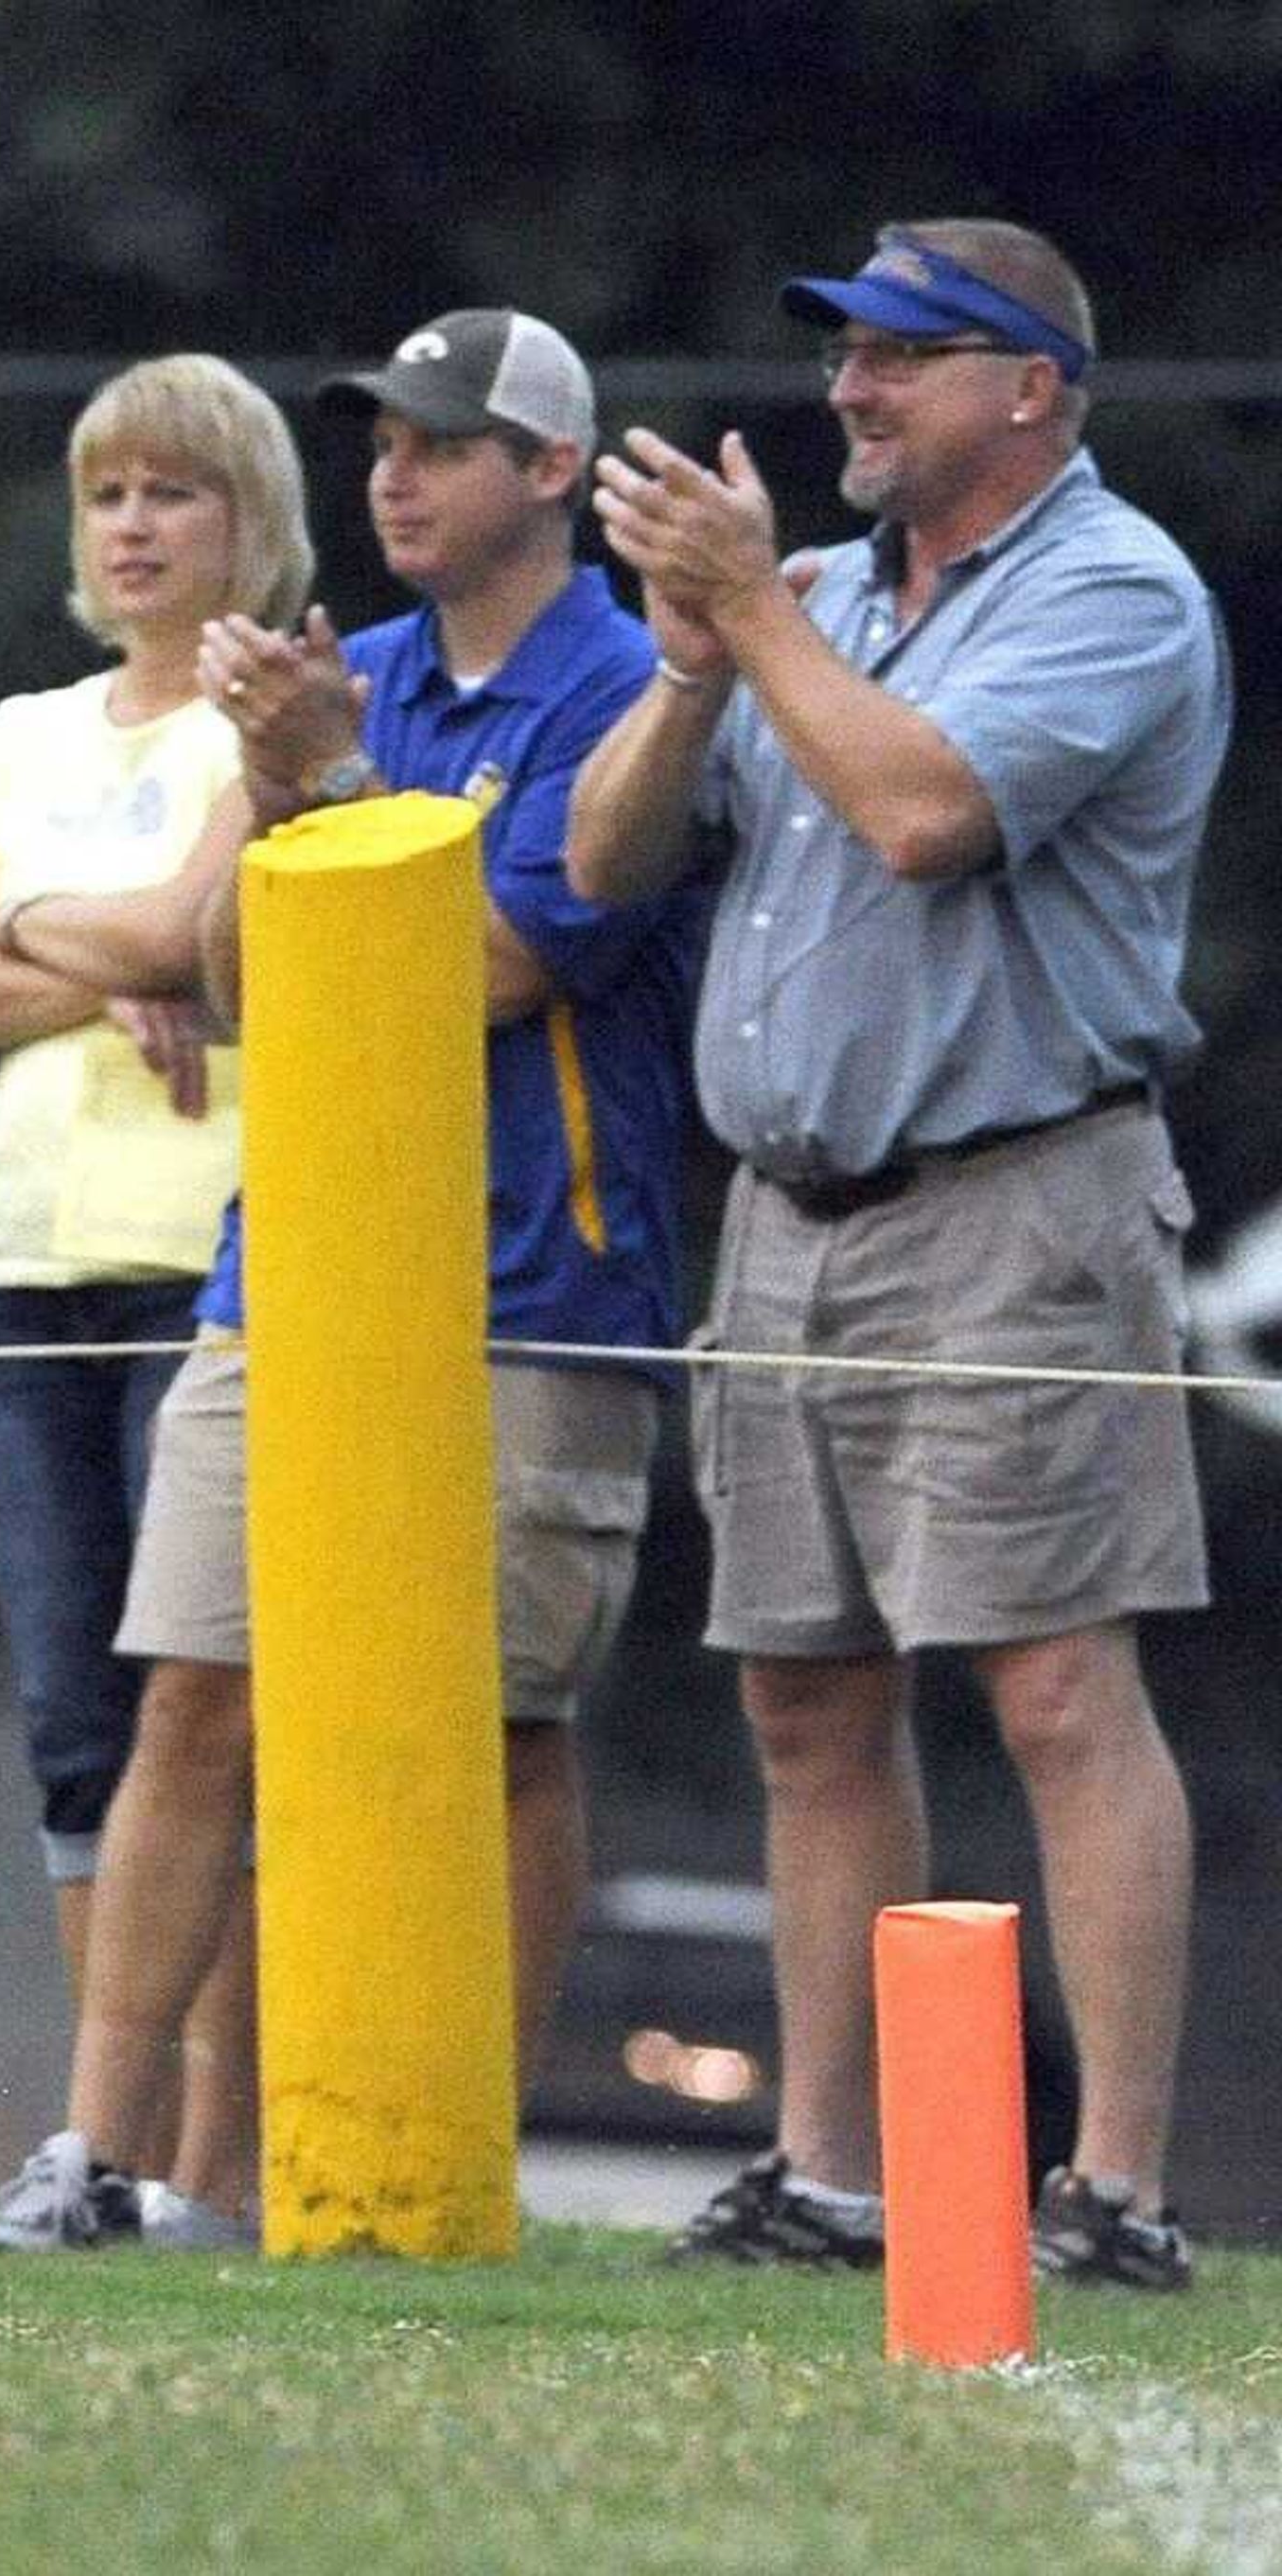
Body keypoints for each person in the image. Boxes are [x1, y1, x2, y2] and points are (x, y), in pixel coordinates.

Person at [0, 309, 701, 2239]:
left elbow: (503, 965)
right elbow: (229, 973)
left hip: (532, 1273)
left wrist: (336, 774)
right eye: (379, 441)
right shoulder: (344, 668)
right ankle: (96, 2158)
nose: (394, 473)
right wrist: (281, 786)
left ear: (552, 472)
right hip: (287, 1258)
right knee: (189, 1704)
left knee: (504, 1728)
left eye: (444, 444)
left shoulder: (621, 686)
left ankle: (447, 2149)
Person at [568, 220, 1227, 2289]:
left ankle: (1114, 2188)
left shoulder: (1117, 592)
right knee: (804, 1707)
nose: (849, 391)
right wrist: (692, 657)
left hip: (1016, 1207)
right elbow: (602, 864)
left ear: (1029, 386)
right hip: (785, 1222)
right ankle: (832, 2169)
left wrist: (753, 613)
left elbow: (926, 811)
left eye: (902, 359)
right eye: (844, 355)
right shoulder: (823, 603)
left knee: (1051, 1687)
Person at [0, 354, 314, 2250]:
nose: (133, 528)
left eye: (175, 495)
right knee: (75, 1721)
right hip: (24, 1262)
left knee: (195, 1721)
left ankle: (215, 2163)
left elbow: (173, 939)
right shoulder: (20, 732)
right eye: (108, 495)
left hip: (209, 1263)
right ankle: (105, 2148)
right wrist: (104, 957)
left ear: (249, 521)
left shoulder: (276, 724)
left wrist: (37, 926)